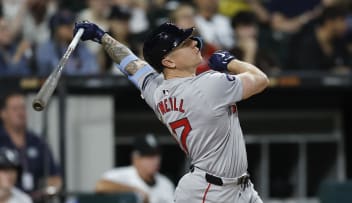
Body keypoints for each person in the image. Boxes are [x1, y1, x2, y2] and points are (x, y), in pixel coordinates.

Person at [74, 19, 268, 202]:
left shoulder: (157, 91)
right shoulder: (209, 85)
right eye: (183, 44)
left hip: (236, 187)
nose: (194, 43)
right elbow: (260, 80)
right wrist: (231, 62)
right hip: (211, 192)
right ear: (168, 62)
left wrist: (102, 38)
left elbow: (131, 65)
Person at [0, 91, 62, 200]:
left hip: (34, 199)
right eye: (15, 109)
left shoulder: (38, 142)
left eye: (23, 108)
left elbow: (55, 177)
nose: (20, 113)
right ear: (3, 113)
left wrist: (50, 188)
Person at [95, 134, 174, 203]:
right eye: (149, 156)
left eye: (157, 155)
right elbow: (100, 186)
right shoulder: (124, 174)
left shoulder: (166, 184)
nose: (155, 160)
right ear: (135, 158)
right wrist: (136, 192)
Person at [287, 5, 350, 72]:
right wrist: (333, 72)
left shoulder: (340, 42)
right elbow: (308, 73)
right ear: (329, 22)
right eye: (342, 20)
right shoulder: (306, 42)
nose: (346, 25)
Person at [36, 9, 99, 75]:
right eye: (65, 25)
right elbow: (46, 73)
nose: (71, 27)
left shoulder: (81, 47)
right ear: (55, 29)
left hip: (79, 84)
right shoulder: (45, 49)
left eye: (72, 23)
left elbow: (93, 69)